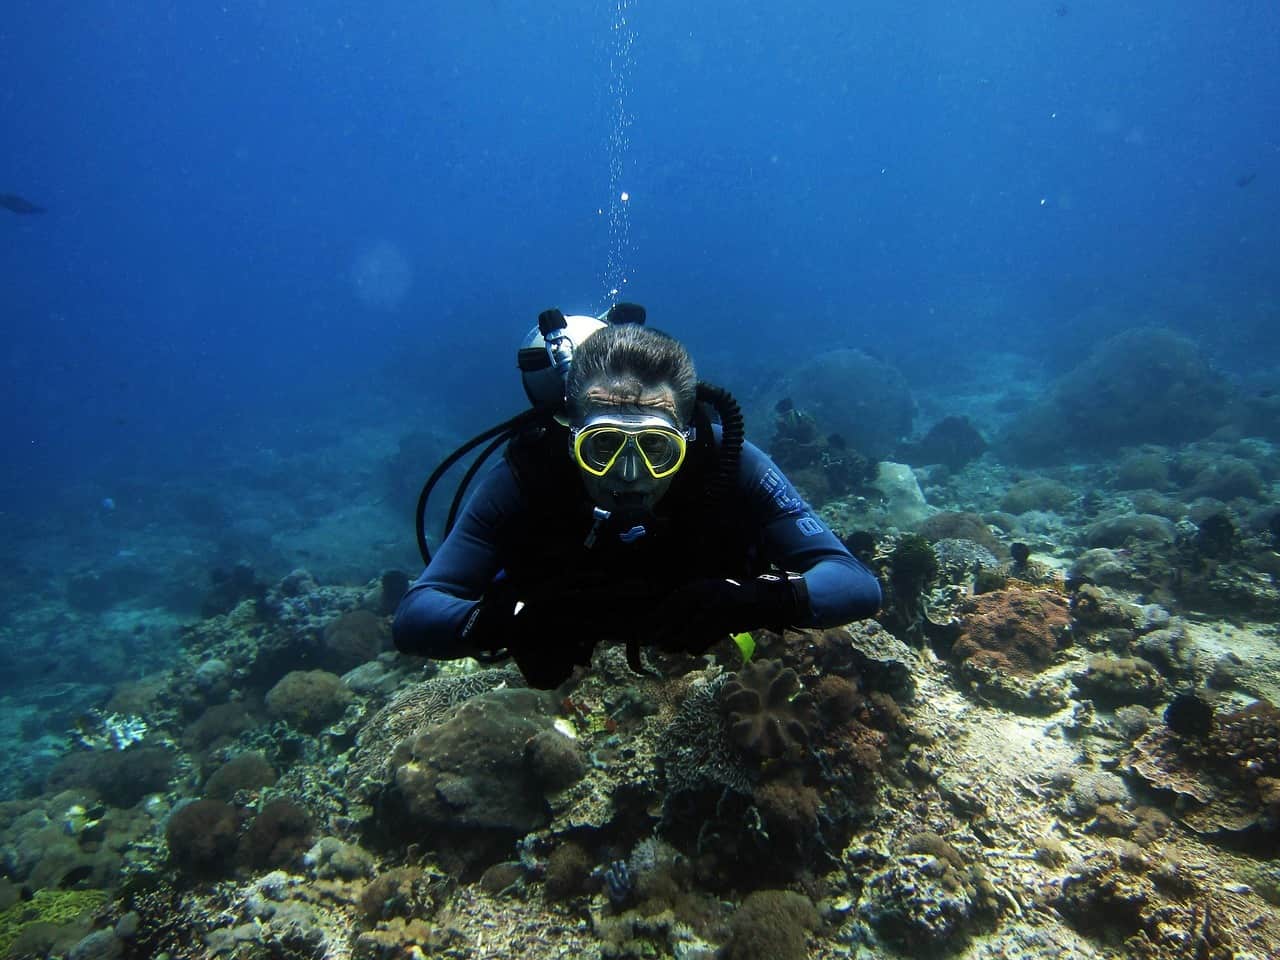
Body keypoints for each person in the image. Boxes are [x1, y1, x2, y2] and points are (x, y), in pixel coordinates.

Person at [393, 310, 881, 688]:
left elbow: (856, 583)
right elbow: (416, 615)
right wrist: (509, 622)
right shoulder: (525, 479)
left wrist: (752, 600)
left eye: (656, 448)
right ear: (569, 436)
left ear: (687, 439)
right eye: (601, 446)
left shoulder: (732, 462)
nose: (629, 476)